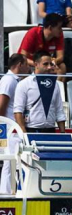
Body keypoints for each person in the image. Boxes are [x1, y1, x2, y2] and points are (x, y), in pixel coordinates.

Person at [13, 51, 66, 134]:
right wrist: (24, 134)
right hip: (31, 129)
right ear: (36, 64)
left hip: (51, 130)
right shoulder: (24, 84)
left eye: (51, 64)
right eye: (45, 64)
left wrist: (63, 133)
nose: (49, 67)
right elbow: (18, 111)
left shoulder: (55, 84)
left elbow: (59, 110)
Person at [0, 54, 30, 195]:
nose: (29, 68)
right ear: (19, 64)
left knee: (13, 161)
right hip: (10, 128)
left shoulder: (14, 80)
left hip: (12, 127)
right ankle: (6, 193)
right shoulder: (9, 81)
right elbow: (1, 106)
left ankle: (9, 191)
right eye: (27, 64)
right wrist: (4, 127)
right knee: (10, 161)